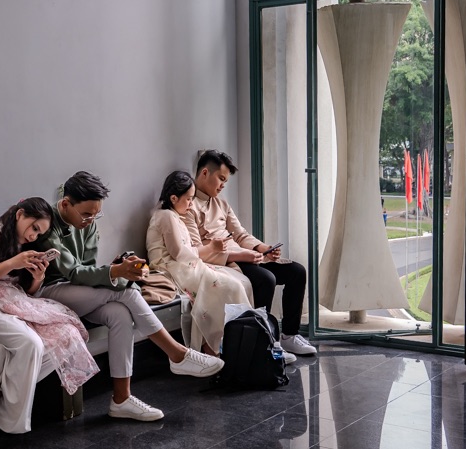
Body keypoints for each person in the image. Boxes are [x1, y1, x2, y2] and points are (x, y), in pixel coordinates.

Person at [32, 171, 224, 422]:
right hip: (49, 292)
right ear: (66, 204)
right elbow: (74, 272)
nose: (91, 220)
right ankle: (177, 354)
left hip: (79, 292)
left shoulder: (88, 223)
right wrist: (116, 273)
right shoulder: (48, 223)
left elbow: (88, 267)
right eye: (86, 214)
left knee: (120, 314)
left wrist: (119, 267)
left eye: (96, 214)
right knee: (125, 291)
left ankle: (121, 399)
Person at [0, 198, 98, 434]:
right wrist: (13, 262)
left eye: (39, 233)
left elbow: (27, 291)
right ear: (20, 214)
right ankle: (10, 420)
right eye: (34, 228)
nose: (33, 236)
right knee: (31, 343)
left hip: (15, 300)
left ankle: (4, 392)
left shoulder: (23, 245)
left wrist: (37, 278)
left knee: (68, 334)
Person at [185, 150, 317, 358]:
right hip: (226, 262)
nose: (223, 185)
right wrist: (241, 256)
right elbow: (197, 250)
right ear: (204, 173)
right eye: (221, 179)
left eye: (225, 181)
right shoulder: (188, 206)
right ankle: (264, 342)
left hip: (244, 255)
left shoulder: (221, 204)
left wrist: (263, 248)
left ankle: (289, 336)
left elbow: (240, 234)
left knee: (297, 271)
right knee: (266, 279)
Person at [146, 170, 254, 356]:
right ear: (173, 198)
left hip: (182, 265)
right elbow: (179, 253)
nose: (191, 204)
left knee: (236, 283)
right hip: (170, 268)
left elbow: (185, 252)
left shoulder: (174, 216)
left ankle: (229, 344)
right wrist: (211, 247)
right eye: (188, 199)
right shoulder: (166, 216)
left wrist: (211, 249)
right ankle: (226, 346)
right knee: (231, 287)